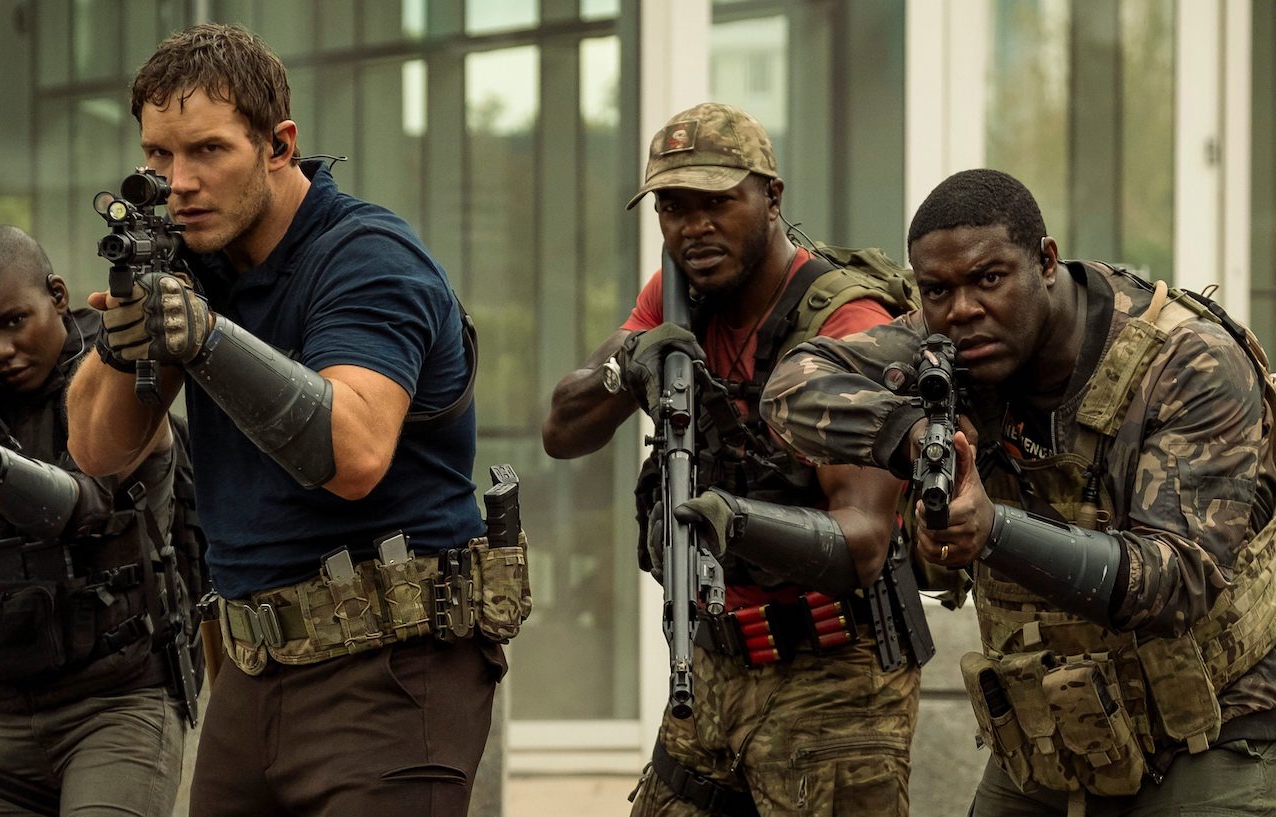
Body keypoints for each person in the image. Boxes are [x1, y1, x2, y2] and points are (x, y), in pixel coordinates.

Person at [65, 23, 521, 817]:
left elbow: (354, 454)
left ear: (279, 145)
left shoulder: (369, 258)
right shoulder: (192, 258)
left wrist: (205, 337)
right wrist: (127, 331)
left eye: (208, 150)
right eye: (158, 155)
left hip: (392, 667)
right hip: (252, 670)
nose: (178, 182)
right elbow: (97, 450)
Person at [761, 167, 1276, 815]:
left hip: (1212, 724)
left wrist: (992, 531)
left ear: (1046, 261)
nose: (963, 309)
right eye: (937, 290)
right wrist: (910, 435)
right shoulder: (949, 346)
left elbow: (1176, 582)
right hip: (1057, 730)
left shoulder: (1187, 361)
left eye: (990, 278)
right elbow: (791, 387)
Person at [544, 102, 925, 816]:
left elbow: (866, 541)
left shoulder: (848, 326)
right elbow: (562, 431)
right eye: (673, 207)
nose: (694, 227)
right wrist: (628, 365)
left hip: (834, 677)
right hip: (714, 664)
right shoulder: (678, 298)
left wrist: (737, 521)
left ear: (772, 197)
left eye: (717, 202)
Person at [0, 225, 193, 816]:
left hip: (116, 705)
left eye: (15, 321)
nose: (1, 349)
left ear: (56, 296)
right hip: (1, 716)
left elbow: (86, 508)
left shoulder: (116, 373)